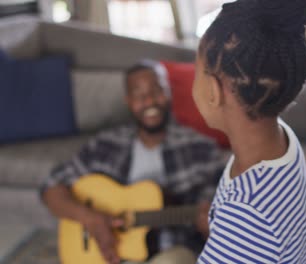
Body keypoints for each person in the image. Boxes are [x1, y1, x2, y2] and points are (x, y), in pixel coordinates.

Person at [40, 61, 226, 264]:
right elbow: (51, 187)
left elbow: (220, 230)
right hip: (112, 254)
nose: (149, 101)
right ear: (128, 101)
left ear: (169, 93)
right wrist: (91, 219)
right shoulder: (105, 145)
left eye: (157, 90)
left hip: (172, 253)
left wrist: (210, 228)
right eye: (139, 94)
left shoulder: (201, 149)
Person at [192, 0, 306, 263]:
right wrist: (221, 229)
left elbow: (251, 224)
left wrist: (231, 229)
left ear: (214, 93)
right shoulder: (281, 139)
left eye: (196, 72)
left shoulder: (247, 213)